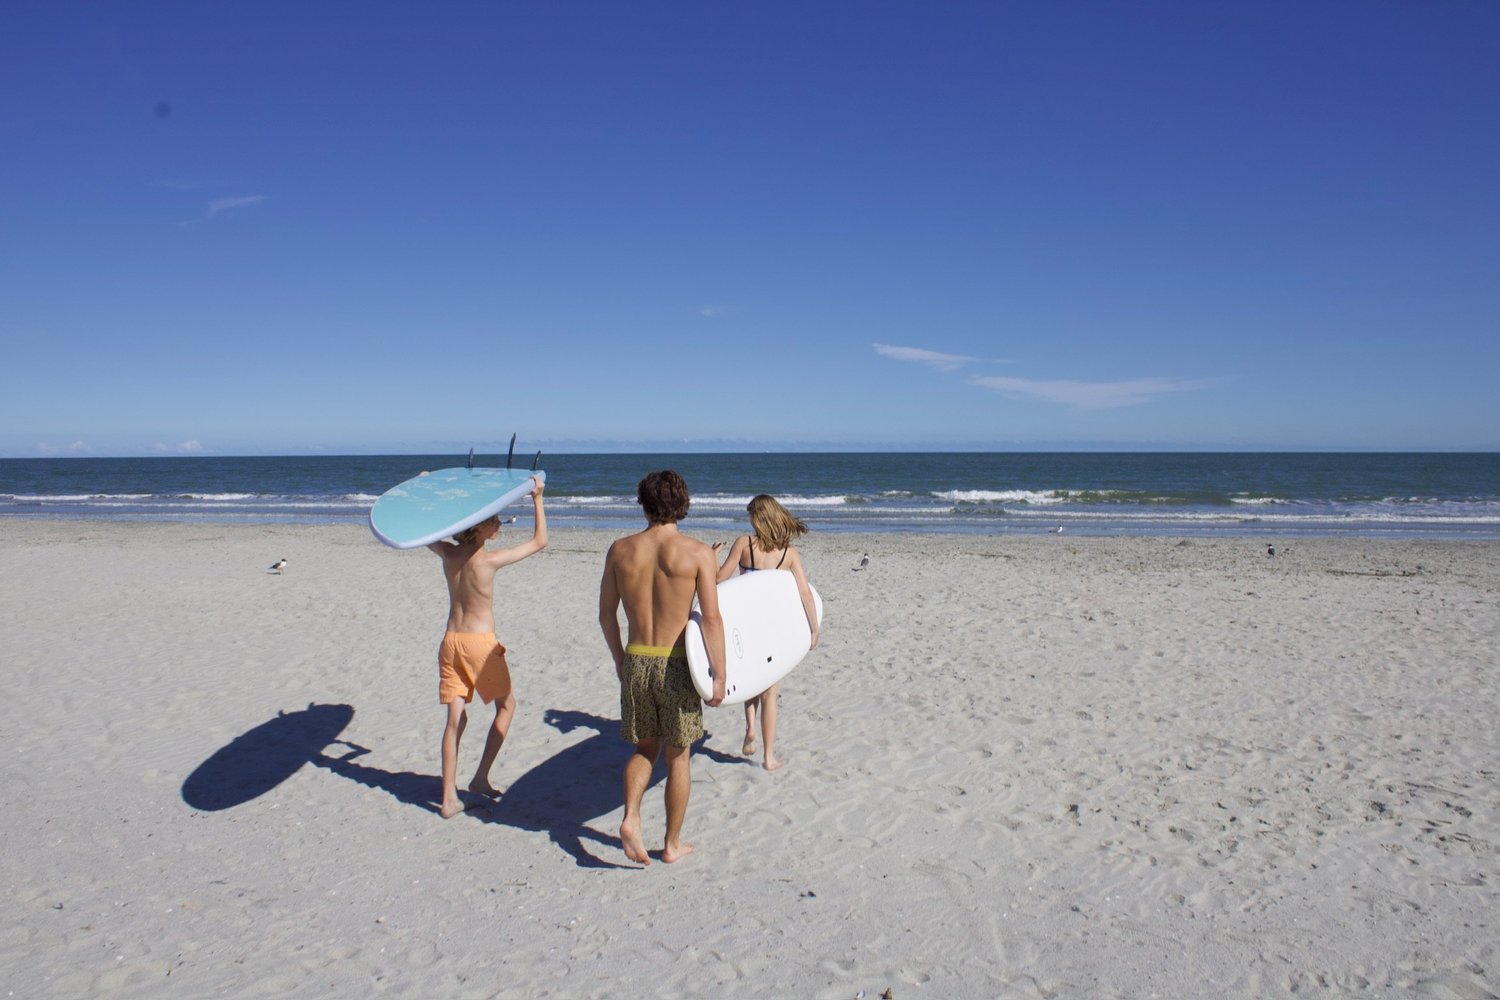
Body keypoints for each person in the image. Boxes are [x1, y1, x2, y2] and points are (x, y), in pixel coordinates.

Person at [599, 470, 726, 865]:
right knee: (678, 756)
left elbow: (606, 615)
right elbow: (710, 620)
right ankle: (672, 843)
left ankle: (631, 816)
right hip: (676, 664)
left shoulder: (620, 549)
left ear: (644, 502)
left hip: (637, 657)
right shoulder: (698, 553)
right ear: (682, 502)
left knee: (644, 747)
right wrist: (720, 675)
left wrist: (621, 659)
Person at [426, 476, 547, 818]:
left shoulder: (447, 554)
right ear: (479, 529)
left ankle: (449, 798)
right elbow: (540, 541)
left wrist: (429, 491)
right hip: (480, 645)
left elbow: (426, 529)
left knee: (454, 720)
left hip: (450, 643)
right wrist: (538, 497)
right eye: (493, 520)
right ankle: (479, 778)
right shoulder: (488, 561)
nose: (499, 523)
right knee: (507, 706)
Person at [714, 494, 819, 772]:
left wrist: (712, 559)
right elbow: (805, 593)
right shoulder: (789, 554)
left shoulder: (744, 544)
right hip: (774, 629)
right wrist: (814, 627)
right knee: (770, 692)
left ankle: (750, 727)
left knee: (750, 679)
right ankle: (769, 756)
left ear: (758, 519)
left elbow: (719, 579)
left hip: (746, 626)